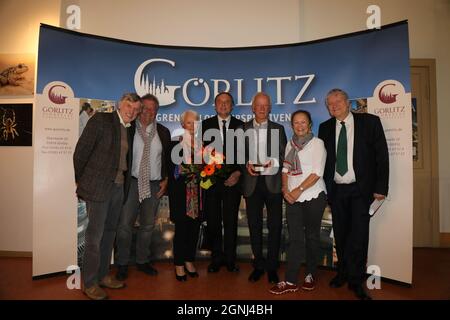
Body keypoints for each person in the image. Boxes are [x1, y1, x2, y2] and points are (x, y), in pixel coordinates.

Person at [318, 88, 389, 300]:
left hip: (361, 190)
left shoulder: (370, 122)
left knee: (359, 237)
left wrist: (381, 188)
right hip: (337, 190)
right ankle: (342, 273)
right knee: (340, 235)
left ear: (348, 103)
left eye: (338, 101)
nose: (335, 105)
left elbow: (382, 157)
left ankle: (356, 281)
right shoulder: (325, 128)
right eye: (330, 104)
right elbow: (324, 162)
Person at [73, 93, 142, 300]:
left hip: (118, 189)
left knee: (109, 234)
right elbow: (80, 153)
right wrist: (82, 181)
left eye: (136, 109)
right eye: (129, 105)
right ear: (120, 104)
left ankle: (103, 275)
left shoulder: (130, 130)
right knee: (94, 238)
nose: (132, 111)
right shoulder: (101, 120)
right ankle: (90, 283)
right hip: (98, 189)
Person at [269, 110, 327, 295]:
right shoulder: (290, 144)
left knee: (311, 237)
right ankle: (290, 280)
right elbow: (285, 170)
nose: (300, 126)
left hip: (313, 196)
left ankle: (310, 274)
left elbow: (317, 173)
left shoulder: (318, 144)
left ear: (310, 124)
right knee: (294, 239)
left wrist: (297, 190)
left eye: (303, 122)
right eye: (296, 123)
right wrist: (286, 190)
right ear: (292, 125)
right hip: (292, 198)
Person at [115, 94, 171, 281]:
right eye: (145, 108)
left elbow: (168, 160)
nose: (149, 112)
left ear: (157, 112)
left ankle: (142, 260)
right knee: (124, 226)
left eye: (153, 109)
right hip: (131, 183)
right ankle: (122, 263)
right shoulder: (128, 129)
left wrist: (166, 179)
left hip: (154, 184)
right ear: (139, 110)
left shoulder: (163, 132)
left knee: (147, 226)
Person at [242, 92, 287, 284]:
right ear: (253, 107)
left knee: (275, 226)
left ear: (270, 108)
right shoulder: (242, 128)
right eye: (258, 105)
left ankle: (272, 267)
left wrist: (273, 162)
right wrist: (246, 163)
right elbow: (237, 154)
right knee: (254, 225)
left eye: (265, 105)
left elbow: (285, 154)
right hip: (252, 183)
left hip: (273, 182)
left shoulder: (279, 128)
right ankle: (258, 265)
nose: (261, 108)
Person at [202, 92, 244, 273]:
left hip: (233, 182)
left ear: (232, 106)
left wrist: (238, 172)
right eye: (220, 102)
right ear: (215, 105)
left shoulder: (241, 126)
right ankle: (216, 258)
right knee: (213, 222)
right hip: (211, 182)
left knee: (230, 222)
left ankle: (230, 259)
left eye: (227, 102)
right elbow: (200, 154)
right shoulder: (204, 125)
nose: (224, 105)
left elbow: (245, 154)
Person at [168, 110, 202, 281]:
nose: (192, 126)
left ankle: (189, 260)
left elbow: (207, 172)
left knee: (194, 231)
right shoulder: (174, 146)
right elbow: (173, 173)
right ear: (182, 125)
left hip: (198, 196)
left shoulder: (203, 146)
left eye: (195, 122)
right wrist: (185, 171)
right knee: (181, 231)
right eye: (189, 123)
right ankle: (179, 264)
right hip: (182, 196)